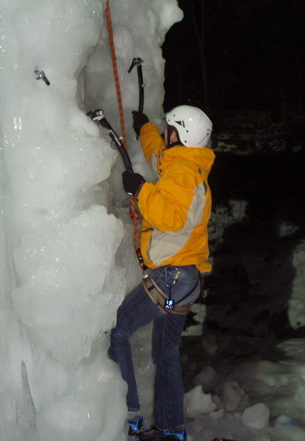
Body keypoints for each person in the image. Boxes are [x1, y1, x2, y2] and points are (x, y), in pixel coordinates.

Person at [108, 105, 215, 441]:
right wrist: (145, 130)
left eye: (169, 129)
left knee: (119, 331)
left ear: (180, 134)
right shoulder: (185, 163)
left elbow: (171, 217)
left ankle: (132, 419)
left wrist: (140, 190)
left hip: (171, 278)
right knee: (165, 354)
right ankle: (172, 429)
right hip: (186, 279)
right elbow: (160, 156)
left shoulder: (183, 172)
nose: (165, 134)